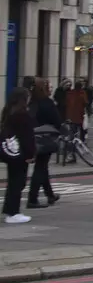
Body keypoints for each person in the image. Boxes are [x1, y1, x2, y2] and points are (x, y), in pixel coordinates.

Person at [2, 87, 36, 223]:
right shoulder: (23, 115)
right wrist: (30, 154)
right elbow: (27, 137)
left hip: (11, 151)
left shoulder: (8, 112)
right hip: (21, 153)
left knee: (12, 182)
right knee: (18, 182)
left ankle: (9, 210)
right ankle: (13, 212)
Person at [27, 80, 61, 209]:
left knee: (42, 167)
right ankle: (32, 199)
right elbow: (57, 121)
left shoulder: (31, 103)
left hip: (32, 138)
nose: (51, 89)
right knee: (40, 168)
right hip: (45, 139)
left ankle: (50, 194)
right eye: (49, 86)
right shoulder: (47, 103)